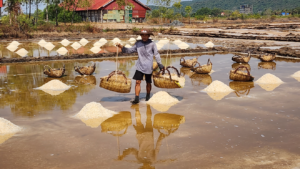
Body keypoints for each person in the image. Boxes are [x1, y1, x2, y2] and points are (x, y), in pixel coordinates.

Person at [117, 29, 164, 104]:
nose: (144, 37)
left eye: (146, 35)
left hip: (148, 66)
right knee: (137, 82)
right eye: (143, 35)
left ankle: (148, 97)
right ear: (141, 36)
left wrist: (160, 64)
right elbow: (130, 50)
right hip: (140, 66)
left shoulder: (152, 44)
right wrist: (121, 47)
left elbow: (157, 54)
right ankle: (136, 98)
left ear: (148, 36)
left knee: (148, 83)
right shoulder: (138, 43)